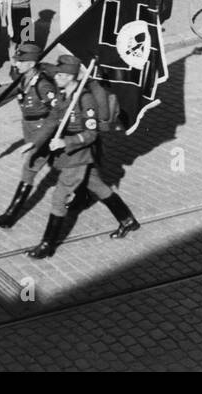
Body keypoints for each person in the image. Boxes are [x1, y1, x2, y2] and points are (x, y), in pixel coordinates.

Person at [26, 55, 140, 259]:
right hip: (69, 155)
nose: (56, 77)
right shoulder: (64, 95)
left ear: (70, 76)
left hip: (79, 154)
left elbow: (91, 134)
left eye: (60, 75)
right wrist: (35, 143)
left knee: (59, 198)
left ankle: (47, 245)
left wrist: (65, 143)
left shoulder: (85, 99)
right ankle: (127, 220)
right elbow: (53, 120)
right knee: (98, 187)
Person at [0, 42, 62, 230]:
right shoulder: (24, 79)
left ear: (31, 63)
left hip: (43, 130)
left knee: (30, 168)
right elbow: (7, 94)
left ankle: (11, 214)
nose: (16, 64)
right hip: (30, 128)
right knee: (71, 168)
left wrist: (46, 137)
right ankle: (87, 194)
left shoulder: (43, 85)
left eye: (20, 61)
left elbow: (57, 113)